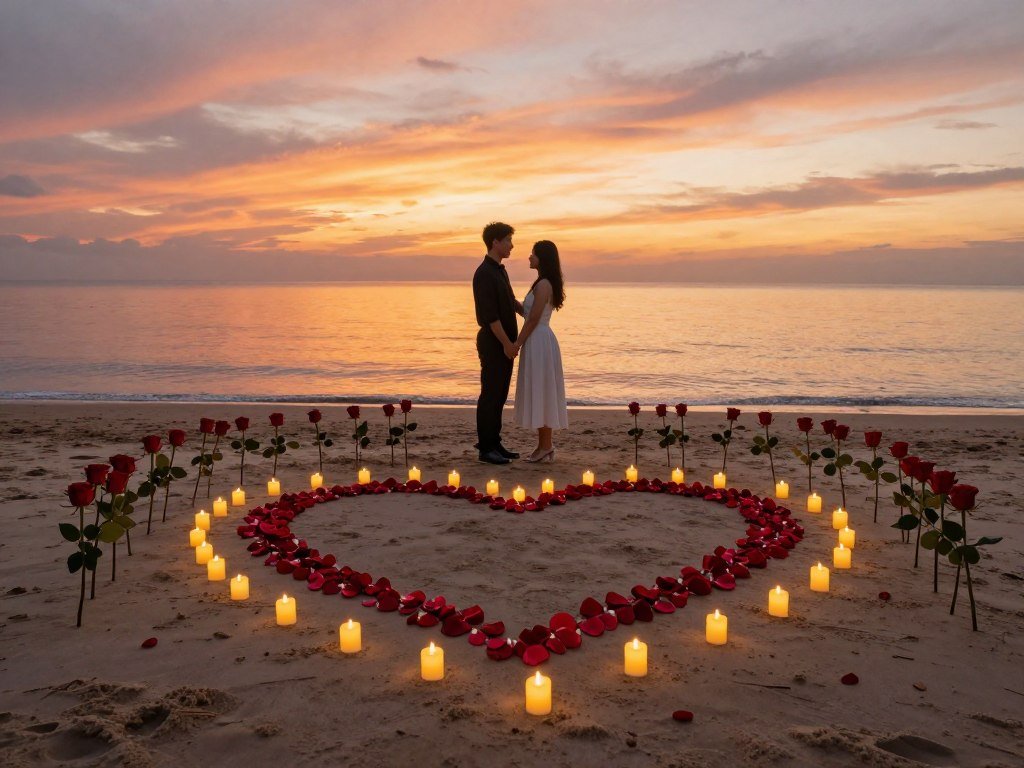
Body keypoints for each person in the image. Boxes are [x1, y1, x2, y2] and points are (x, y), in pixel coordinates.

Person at [512, 240, 567, 461]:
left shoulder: (544, 284)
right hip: (537, 339)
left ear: (542, 258)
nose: (529, 257)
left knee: (542, 390)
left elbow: (534, 319)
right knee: (540, 390)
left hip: (539, 340)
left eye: (533, 253)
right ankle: (544, 446)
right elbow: (527, 313)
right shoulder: (540, 283)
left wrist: (517, 343)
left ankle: (546, 446)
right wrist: (510, 299)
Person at [472, 222, 523, 465]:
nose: (512, 245)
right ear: (495, 242)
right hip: (494, 342)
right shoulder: (484, 273)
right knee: (490, 394)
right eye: (508, 240)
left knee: (501, 394)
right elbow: (491, 317)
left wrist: (531, 314)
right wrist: (506, 344)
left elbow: (510, 300)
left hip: (505, 343)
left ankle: (495, 442)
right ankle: (485, 448)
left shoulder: (500, 271)